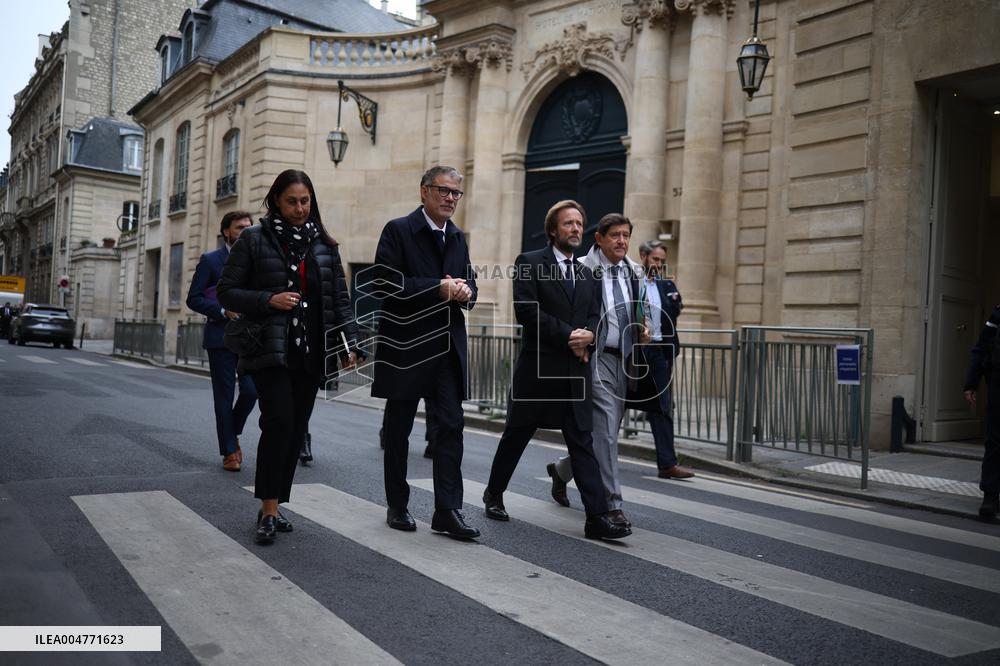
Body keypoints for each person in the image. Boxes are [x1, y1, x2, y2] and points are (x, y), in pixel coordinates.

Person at [218, 170, 360, 544]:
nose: (300, 209)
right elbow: (227, 292)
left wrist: (351, 343)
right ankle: (267, 508)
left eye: (306, 201)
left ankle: (277, 504)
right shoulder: (254, 239)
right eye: (292, 201)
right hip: (270, 349)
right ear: (276, 202)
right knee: (278, 422)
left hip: (311, 353)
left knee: (295, 431)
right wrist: (268, 300)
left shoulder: (325, 245)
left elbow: (339, 301)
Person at [483, 200, 630, 540]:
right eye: (568, 224)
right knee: (516, 436)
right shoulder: (530, 263)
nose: (576, 229)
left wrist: (590, 335)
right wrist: (570, 335)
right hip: (538, 371)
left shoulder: (588, 274)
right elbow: (527, 313)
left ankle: (596, 517)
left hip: (575, 373)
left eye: (579, 223)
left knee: (583, 442)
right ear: (553, 230)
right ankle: (494, 494)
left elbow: (595, 314)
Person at [372, 165, 479, 539]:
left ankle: (447, 510)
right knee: (399, 428)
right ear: (424, 192)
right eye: (443, 190)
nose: (450, 198)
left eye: (455, 193)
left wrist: (466, 293)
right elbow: (384, 284)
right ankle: (397, 505)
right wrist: (438, 288)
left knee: (450, 426)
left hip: (447, 347)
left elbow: (470, 284)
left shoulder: (458, 237)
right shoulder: (398, 230)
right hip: (406, 345)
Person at [547, 213, 649, 529]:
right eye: (615, 235)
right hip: (594, 359)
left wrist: (646, 328)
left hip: (624, 360)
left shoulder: (634, 271)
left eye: (626, 235)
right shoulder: (583, 270)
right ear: (599, 239)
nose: (621, 241)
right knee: (605, 431)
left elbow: (644, 309)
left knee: (602, 435)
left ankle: (562, 470)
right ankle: (611, 505)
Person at [186, 211, 258, 472]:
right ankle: (228, 451)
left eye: (249, 227)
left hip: (251, 338)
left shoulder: (256, 260)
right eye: (240, 228)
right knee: (224, 397)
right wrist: (220, 310)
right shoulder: (211, 260)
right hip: (221, 338)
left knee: (252, 390)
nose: (246, 232)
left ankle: (233, 431)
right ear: (227, 231)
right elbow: (193, 298)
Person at [638, 240, 694, 480]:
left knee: (662, 406)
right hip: (636, 352)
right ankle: (581, 462)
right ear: (643, 256)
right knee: (615, 407)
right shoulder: (632, 281)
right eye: (655, 259)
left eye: (662, 260)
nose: (659, 264)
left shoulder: (666, 283)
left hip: (659, 351)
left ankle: (667, 464)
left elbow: (676, 306)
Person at [963, 304, 1000, 520]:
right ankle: (990, 497)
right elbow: (981, 347)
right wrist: (971, 383)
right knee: (994, 442)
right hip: (998, 387)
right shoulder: (997, 314)